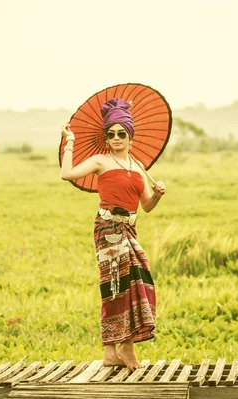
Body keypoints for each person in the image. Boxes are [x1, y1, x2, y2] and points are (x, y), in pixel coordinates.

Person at [60, 98, 165, 371]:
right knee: (116, 283)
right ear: (106, 138)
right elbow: (67, 174)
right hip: (108, 229)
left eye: (121, 133)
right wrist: (69, 141)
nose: (116, 138)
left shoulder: (138, 166)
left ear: (130, 136)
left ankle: (115, 350)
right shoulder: (100, 161)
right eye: (111, 134)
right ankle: (121, 349)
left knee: (138, 279)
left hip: (129, 227)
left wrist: (158, 195)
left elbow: (147, 206)